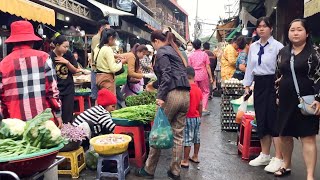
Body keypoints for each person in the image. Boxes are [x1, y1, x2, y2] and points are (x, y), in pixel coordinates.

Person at [136, 29, 190, 180]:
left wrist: (160, 96)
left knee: (158, 131)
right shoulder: (175, 51)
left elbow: (166, 74)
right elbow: (170, 74)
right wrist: (154, 84)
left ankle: (148, 169)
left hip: (172, 95)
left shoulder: (161, 52)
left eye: (153, 45)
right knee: (178, 134)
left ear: (156, 41)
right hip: (185, 94)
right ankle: (175, 171)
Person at [275, 19, 320, 179]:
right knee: (284, 134)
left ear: (307, 33)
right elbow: (278, 75)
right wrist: (277, 95)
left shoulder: (315, 52)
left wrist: (319, 98)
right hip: (286, 99)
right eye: (292, 29)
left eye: (299, 29)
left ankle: (309, 175)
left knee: (307, 137)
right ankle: (286, 165)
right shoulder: (283, 52)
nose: (295, 32)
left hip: (308, 99)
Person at [0, 20, 62, 126]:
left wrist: (4, 120)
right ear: (32, 41)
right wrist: (58, 114)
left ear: (13, 41)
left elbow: (2, 99)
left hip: (16, 124)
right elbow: (52, 91)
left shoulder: (3, 63)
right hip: (43, 121)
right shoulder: (44, 58)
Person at [243, 17, 284, 173]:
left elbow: (283, 68)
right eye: (259, 27)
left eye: (264, 26)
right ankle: (265, 154)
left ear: (271, 28)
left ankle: (279, 157)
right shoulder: (253, 47)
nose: (261, 29)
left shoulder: (278, 47)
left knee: (273, 120)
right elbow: (250, 67)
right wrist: (247, 85)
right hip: (259, 84)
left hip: (273, 83)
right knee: (261, 119)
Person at [50, 35, 83, 123]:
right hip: (56, 90)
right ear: (57, 45)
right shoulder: (50, 56)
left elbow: (75, 70)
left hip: (68, 88)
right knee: (56, 115)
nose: (66, 49)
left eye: (67, 47)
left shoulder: (68, 54)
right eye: (64, 46)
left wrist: (67, 62)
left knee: (68, 116)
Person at [180, 66, 203, 168]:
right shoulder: (198, 89)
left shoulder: (186, 90)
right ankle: (195, 156)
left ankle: (185, 160)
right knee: (196, 138)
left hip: (188, 117)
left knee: (187, 139)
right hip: (197, 117)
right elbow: (201, 104)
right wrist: (200, 116)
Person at [94, 29, 125, 95]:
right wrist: (121, 62)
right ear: (111, 38)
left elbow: (102, 57)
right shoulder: (108, 49)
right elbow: (113, 68)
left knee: (102, 100)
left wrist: (115, 56)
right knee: (110, 103)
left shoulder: (98, 46)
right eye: (115, 39)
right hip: (107, 78)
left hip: (98, 77)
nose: (115, 41)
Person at [188, 39, 213, 115]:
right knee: (205, 91)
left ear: (193, 46)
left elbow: (189, 67)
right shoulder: (204, 54)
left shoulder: (191, 55)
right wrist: (211, 77)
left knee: (194, 91)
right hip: (203, 75)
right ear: (200, 45)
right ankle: (203, 108)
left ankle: (195, 107)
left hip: (194, 76)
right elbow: (208, 66)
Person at [91, 19, 110, 103]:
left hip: (101, 71)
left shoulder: (102, 39)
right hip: (97, 70)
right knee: (98, 96)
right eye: (107, 29)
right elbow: (97, 55)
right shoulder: (96, 38)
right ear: (101, 28)